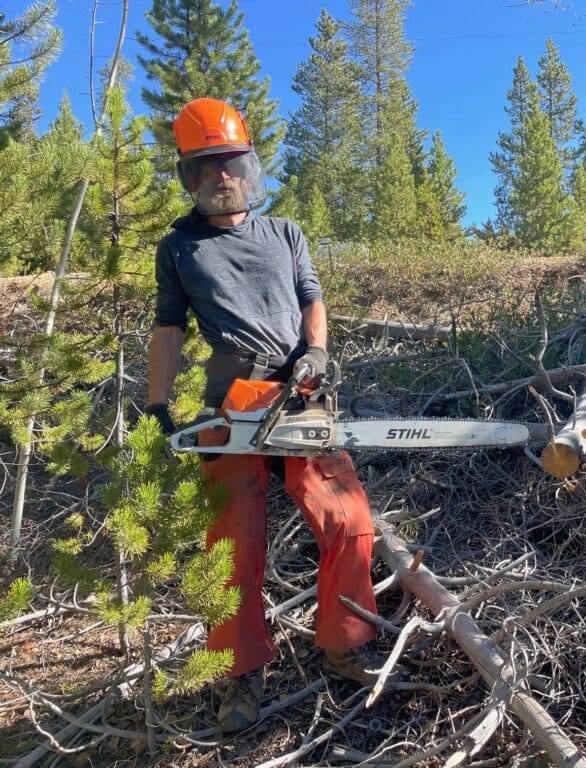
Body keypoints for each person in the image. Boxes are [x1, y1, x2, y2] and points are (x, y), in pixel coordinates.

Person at [144, 97, 380, 734]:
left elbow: (313, 299)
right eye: (207, 166)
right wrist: (157, 405)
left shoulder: (286, 232)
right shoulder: (179, 247)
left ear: (249, 167)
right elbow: (168, 329)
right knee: (232, 542)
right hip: (231, 401)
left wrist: (319, 352)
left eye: (231, 162)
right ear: (189, 176)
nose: (222, 175)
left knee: (349, 518)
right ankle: (240, 670)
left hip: (300, 394)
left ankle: (343, 641)